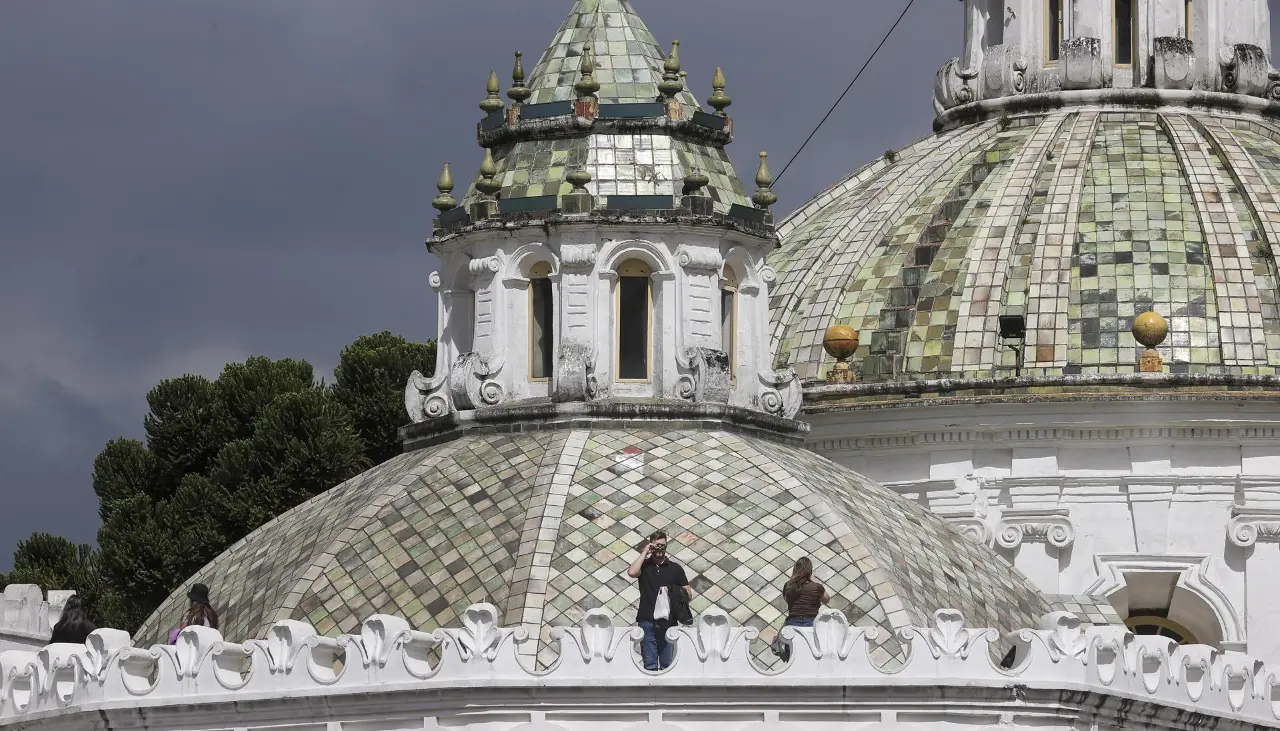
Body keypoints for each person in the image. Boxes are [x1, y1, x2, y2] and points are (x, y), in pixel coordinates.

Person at [625, 530, 693, 671]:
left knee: (667, 665)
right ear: (651, 546)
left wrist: (672, 590)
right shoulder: (645, 566)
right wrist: (645, 552)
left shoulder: (675, 569)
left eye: (662, 545)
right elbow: (631, 572)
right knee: (649, 665)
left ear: (667, 546)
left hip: (668, 623)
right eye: (656, 545)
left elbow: (688, 594)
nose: (659, 549)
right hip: (647, 621)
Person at [775, 556, 830, 662]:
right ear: (810, 571)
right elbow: (827, 599)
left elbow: (787, 601)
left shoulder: (788, 586)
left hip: (792, 625)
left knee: (792, 659)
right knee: (811, 658)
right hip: (811, 625)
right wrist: (813, 581)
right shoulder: (816, 587)